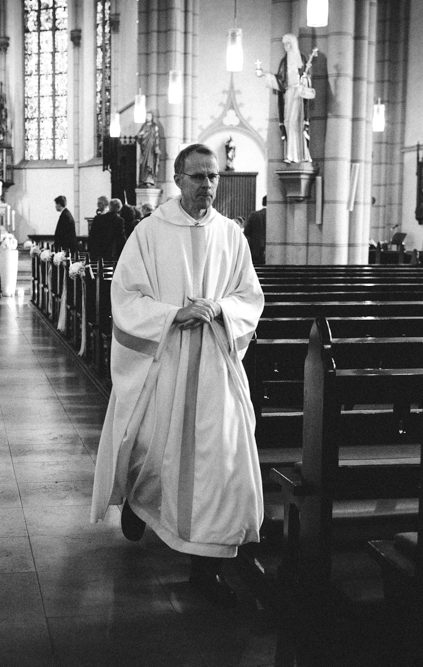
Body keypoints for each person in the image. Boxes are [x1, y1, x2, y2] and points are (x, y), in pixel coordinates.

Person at [91, 144, 264, 608]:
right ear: (177, 178)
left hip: (214, 367)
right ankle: (138, 500)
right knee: (153, 450)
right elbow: (125, 296)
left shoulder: (232, 234)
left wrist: (220, 309)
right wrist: (174, 314)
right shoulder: (149, 232)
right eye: (197, 177)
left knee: (220, 462)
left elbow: (250, 296)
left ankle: (205, 568)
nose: (207, 185)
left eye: (213, 178)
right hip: (164, 362)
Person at [257, 33, 315, 163]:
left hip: (299, 96)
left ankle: (301, 154)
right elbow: (280, 81)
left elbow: (308, 81)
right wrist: (264, 75)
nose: (286, 47)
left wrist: (304, 81)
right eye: (284, 44)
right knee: (288, 122)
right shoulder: (284, 61)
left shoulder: (303, 60)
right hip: (288, 94)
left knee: (297, 123)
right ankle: (290, 154)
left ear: (293, 44)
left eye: (288, 44)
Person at [135, 111, 162, 187]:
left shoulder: (154, 126)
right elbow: (138, 137)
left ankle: (150, 180)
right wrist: (140, 135)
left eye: (149, 116)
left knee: (150, 165)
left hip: (151, 149)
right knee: (143, 164)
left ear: (152, 117)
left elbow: (156, 137)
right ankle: (143, 180)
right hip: (144, 149)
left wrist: (156, 147)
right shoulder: (143, 126)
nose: (148, 117)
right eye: (146, 116)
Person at [244, 196, 267, 265]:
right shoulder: (276, 216)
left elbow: (247, 232)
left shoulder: (254, 215)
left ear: (263, 202)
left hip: (256, 250)